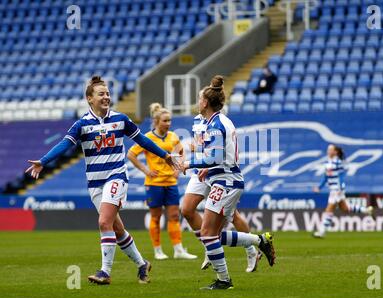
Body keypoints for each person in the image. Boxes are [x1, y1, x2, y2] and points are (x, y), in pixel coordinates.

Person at [26, 76, 181, 285]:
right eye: (101, 94)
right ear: (90, 98)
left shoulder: (121, 119)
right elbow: (64, 145)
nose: (106, 97)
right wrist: (43, 161)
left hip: (116, 176)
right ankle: (142, 264)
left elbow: (142, 140)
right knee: (116, 229)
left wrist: (165, 155)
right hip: (95, 183)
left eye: (107, 93)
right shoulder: (82, 124)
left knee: (103, 222)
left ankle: (105, 272)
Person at [182, 75, 276, 290]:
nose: (198, 102)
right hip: (223, 179)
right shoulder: (217, 121)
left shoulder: (215, 124)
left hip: (226, 181)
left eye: (199, 99)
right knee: (212, 235)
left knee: (208, 234)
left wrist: (189, 163)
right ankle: (259, 241)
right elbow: (220, 154)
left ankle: (225, 280)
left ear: (205, 102)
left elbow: (214, 157)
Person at [182, 114, 262, 273]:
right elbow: (201, 146)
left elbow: (220, 150)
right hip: (201, 170)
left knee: (232, 216)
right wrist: (194, 148)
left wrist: (206, 161)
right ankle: (210, 247)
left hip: (217, 170)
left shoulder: (219, 121)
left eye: (201, 98)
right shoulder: (199, 119)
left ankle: (251, 251)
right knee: (186, 209)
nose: (199, 101)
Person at [127, 103, 197, 260]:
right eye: (165, 120)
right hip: (154, 183)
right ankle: (158, 250)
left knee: (173, 216)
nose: (168, 123)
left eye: (170, 120)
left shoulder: (173, 136)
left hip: (171, 182)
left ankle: (178, 249)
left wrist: (178, 169)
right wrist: (146, 170)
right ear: (156, 121)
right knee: (156, 217)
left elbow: (181, 152)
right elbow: (131, 154)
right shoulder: (147, 138)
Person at [313, 144, 374, 238]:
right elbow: (326, 177)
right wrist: (319, 187)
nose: (328, 151)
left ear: (335, 152)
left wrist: (340, 189)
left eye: (330, 149)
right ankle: (366, 210)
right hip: (333, 189)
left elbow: (341, 177)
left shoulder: (338, 162)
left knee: (328, 210)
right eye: (328, 149)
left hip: (336, 189)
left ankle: (322, 231)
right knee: (345, 209)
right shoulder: (328, 163)